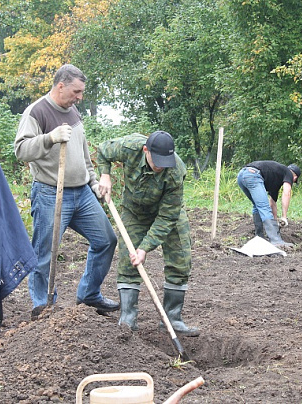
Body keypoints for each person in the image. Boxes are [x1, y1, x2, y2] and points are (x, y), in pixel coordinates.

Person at [15, 64, 118, 317]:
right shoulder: (36, 112)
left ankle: (89, 295)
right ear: (60, 85)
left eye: (81, 92)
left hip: (82, 193)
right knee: (44, 254)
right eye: (76, 91)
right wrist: (49, 138)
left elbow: (82, 154)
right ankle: (43, 306)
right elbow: (21, 150)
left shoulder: (73, 111)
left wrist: (93, 181)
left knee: (106, 240)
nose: (79, 97)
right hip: (51, 192)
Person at [96, 131, 199, 337]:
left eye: (165, 162)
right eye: (157, 161)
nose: (161, 166)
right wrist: (105, 175)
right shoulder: (130, 147)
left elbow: (167, 217)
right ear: (146, 151)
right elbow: (103, 150)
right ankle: (128, 319)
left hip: (168, 212)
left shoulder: (176, 170)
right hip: (134, 211)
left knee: (180, 259)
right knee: (127, 259)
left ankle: (172, 319)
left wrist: (144, 248)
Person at [237, 160, 301, 247]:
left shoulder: (275, 180)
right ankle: (276, 241)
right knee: (264, 207)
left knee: (258, 206)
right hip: (253, 175)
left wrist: (275, 223)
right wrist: (284, 216)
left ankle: (259, 237)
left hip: (242, 175)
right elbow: (287, 193)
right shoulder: (288, 173)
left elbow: (273, 203)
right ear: (295, 177)